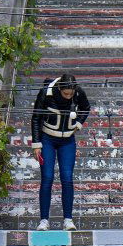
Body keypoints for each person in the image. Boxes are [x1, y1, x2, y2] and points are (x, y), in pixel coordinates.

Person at [30, 73, 90, 230]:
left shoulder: (78, 92)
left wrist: (78, 124)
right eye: (65, 93)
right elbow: (36, 117)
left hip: (67, 140)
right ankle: (44, 220)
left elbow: (86, 108)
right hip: (47, 139)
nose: (68, 96)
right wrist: (36, 144)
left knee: (67, 178)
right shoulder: (46, 93)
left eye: (71, 93)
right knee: (47, 177)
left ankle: (68, 220)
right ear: (59, 88)